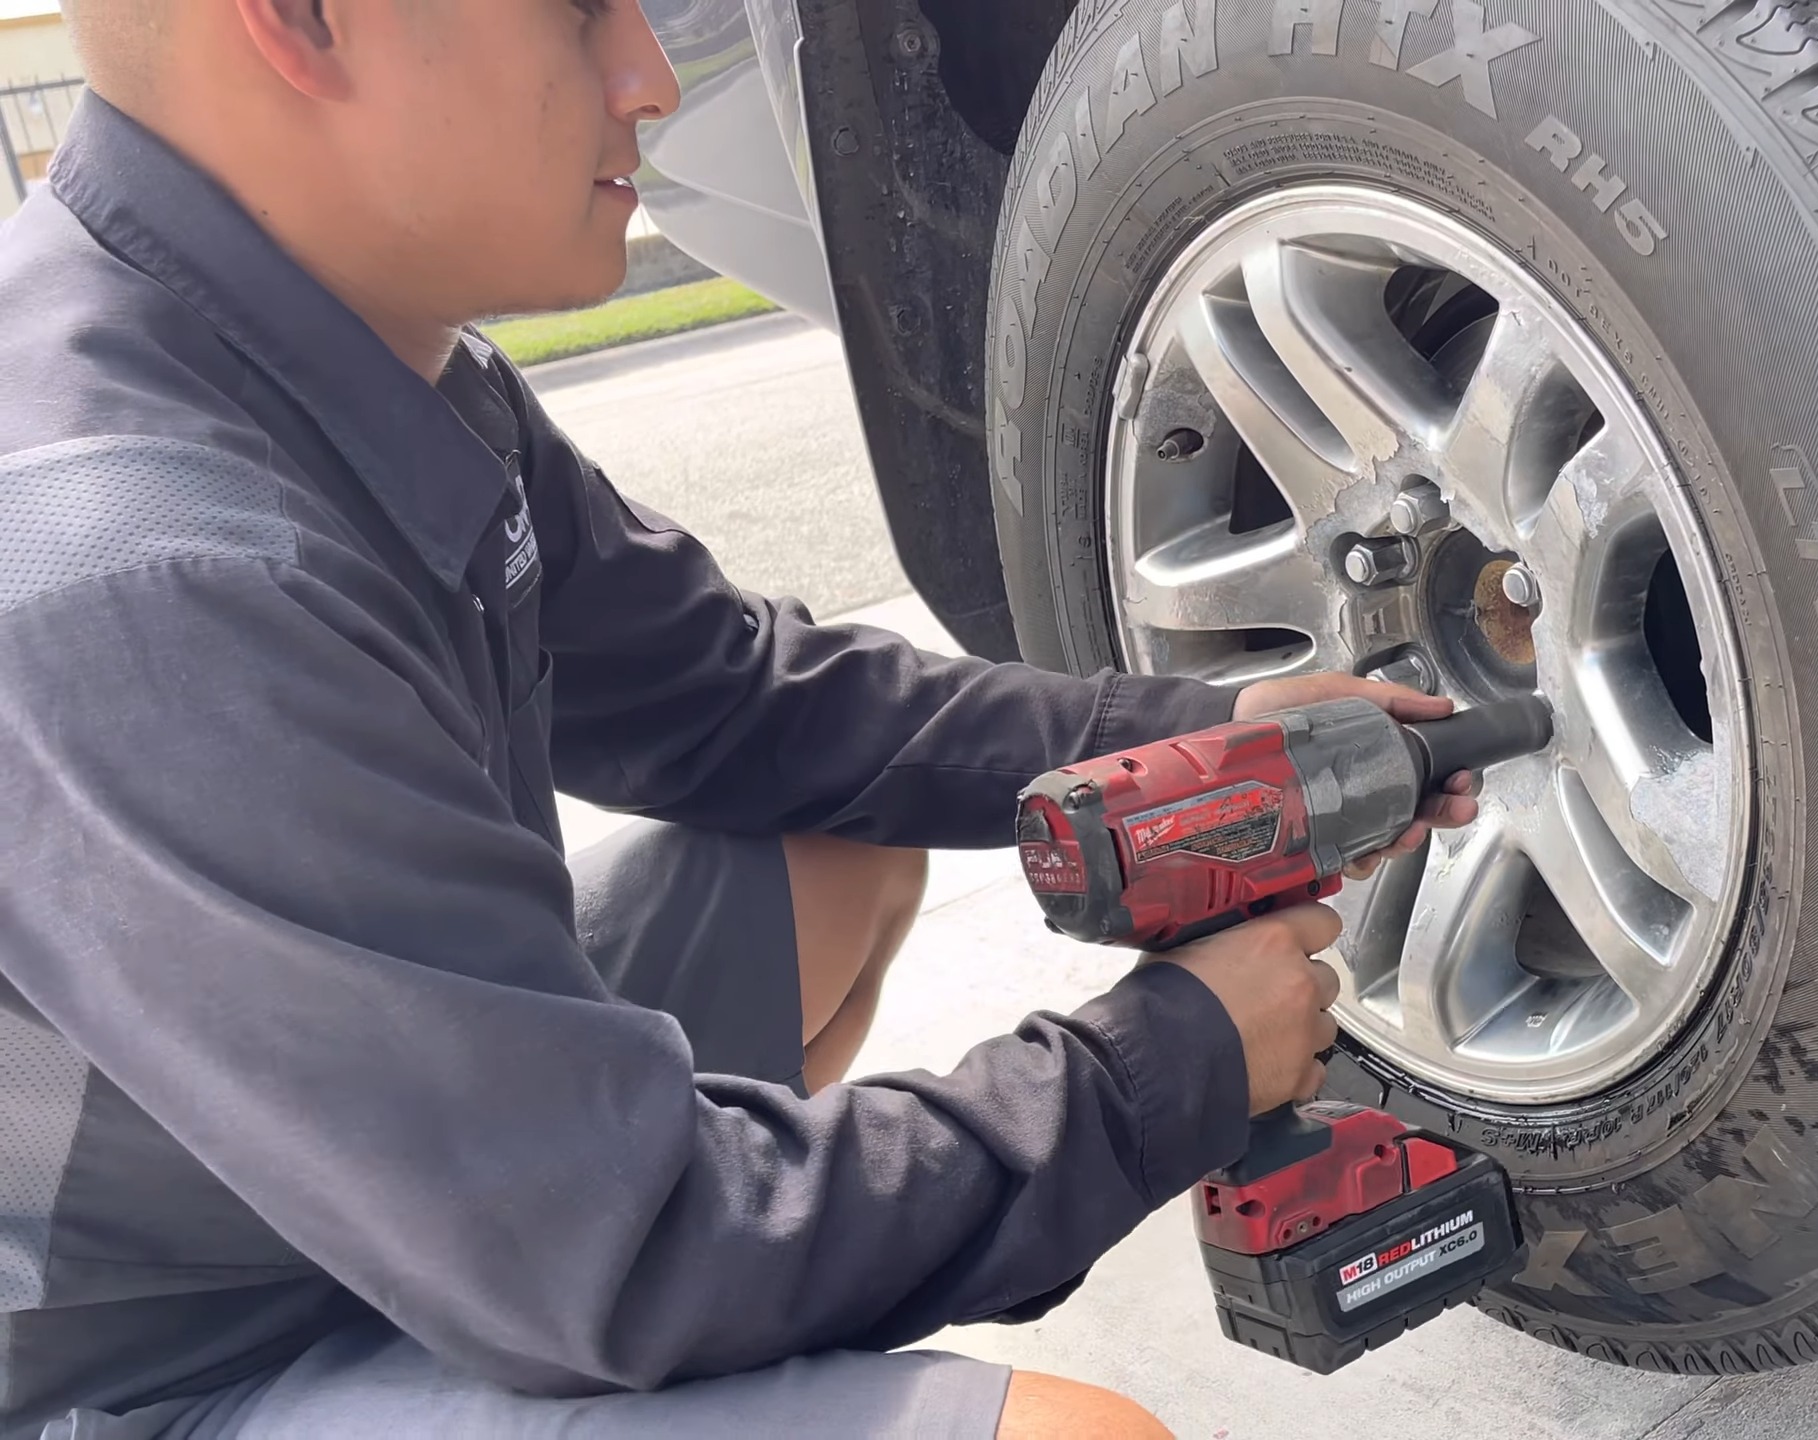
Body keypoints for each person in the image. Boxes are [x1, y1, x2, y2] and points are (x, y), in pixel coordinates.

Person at [0, 0, 1478, 1433]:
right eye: (579, 11)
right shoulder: (141, 576)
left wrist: (1213, 726)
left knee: (829, 849)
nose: (648, 77)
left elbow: (742, 704)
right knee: (1079, 1439)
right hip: (175, 1363)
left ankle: (555, 1318)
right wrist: (1164, 1064)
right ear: (302, 18)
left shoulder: (347, 354)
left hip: (348, 1182)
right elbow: (628, 1244)